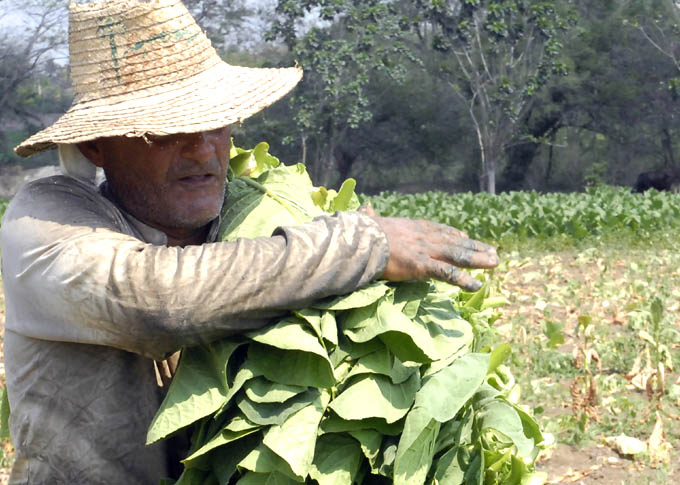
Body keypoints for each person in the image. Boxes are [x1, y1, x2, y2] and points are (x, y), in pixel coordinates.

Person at [0, 1, 499, 483]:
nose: (201, 150)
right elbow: (154, 302)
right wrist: (363, 245)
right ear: (97, 145)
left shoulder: (259, 216)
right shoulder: (48, 219)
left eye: (214, 121)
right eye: (167, 130)